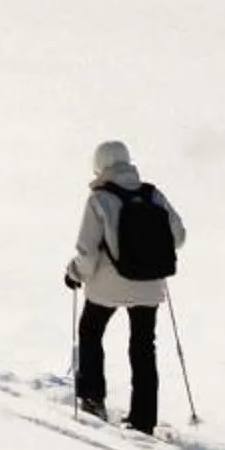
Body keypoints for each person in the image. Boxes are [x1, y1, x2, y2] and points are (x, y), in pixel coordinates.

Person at [65, 140, 186, 434]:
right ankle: (144, 419)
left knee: (91, 331)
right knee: (143, 346)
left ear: (100, 165)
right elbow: (178, 236)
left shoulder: (99, 199)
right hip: (150, 285)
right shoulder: (153, 194)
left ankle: (93, 399)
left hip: (107, 285)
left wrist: (74, 274)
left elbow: (88, 252)